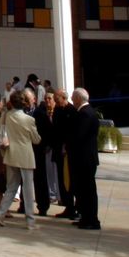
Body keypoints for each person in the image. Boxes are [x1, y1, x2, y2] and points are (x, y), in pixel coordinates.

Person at [0, 88, 42, 230]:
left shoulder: (7, 116)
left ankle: (1, 213)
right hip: (25, 155)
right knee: (28, 189)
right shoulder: (29, 119)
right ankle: (30, 220)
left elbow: (1, 131)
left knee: (11, 187)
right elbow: (36, 139)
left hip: (11, 154)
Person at [68, 88, 102, 230]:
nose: (71, 99)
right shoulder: (86, 112)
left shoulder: (85, 114)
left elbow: (79, 136)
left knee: (87, 190)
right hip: (84, 158)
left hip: (85, 158)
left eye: (73, 97)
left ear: (78, 99)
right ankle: (85, 217)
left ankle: (91, 219)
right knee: (83, 190)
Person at [51, 88, 76, 218]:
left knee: (70, 180)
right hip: (58, 151)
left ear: (64, 98)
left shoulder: (71, 111)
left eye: (57, 99)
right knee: (62, 180)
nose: (55, 101)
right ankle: (67, 206)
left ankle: (73, 208)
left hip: (68, 152)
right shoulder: (57, 110)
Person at [30, 86, 53, 215]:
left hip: (40, 150)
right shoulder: (34, 112)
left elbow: (47, 131)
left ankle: (43, 206)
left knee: (41, 178)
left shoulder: (40, 113)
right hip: (30, 150)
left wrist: (45, 145)